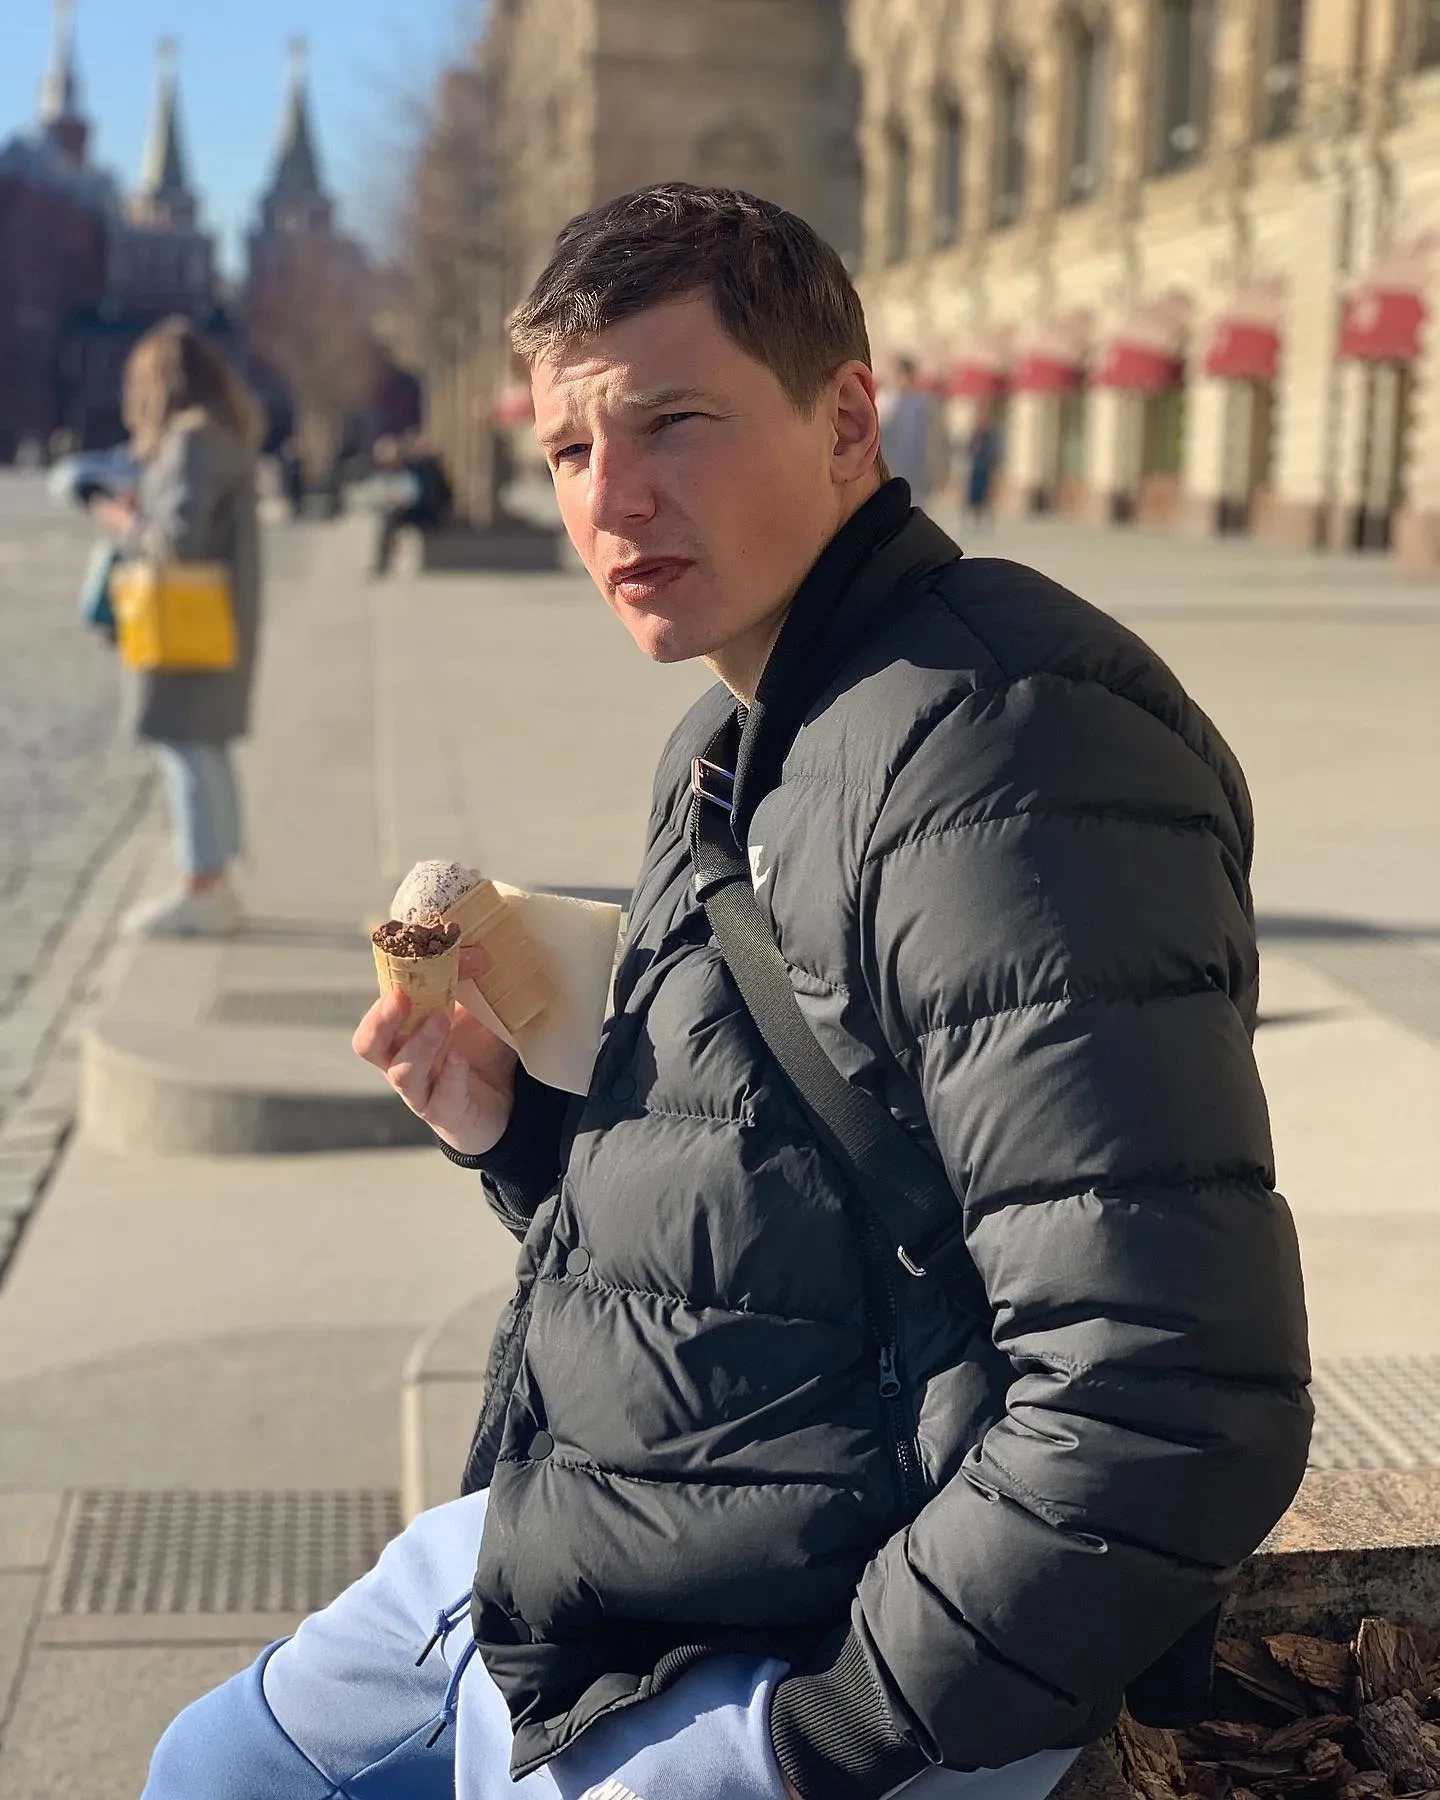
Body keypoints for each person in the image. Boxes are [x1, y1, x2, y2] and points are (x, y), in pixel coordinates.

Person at [143, 185, 1311, 1800]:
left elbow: (1169, 1391)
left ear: (849, 423)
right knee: (218, 1768)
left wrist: (820, 1737)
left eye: (672, 422)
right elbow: (773, 1233)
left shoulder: (1013, 747)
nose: (611, 499)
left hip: (813, 1632)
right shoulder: (728, 741)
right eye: (569, 449)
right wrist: (517, 1134)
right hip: (616, 1555)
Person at [93, 316, 264, 938]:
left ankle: (203, 887)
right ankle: (215, 882)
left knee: (185, 750)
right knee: (204, 749)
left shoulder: (191, 440)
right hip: (215, 618)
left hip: (186, 622)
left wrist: (123, 521)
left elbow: (180, 541)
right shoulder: (222, 435)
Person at [371, 431, 455, 574]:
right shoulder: (423, 467)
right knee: (390, 520)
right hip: (425, 509)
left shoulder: (424, 469)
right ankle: (385, 562)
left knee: (390, 522)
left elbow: (418, 496)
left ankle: (383, 563)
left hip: (427, 512)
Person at [875, 354, 944, 505]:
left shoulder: (924, 402)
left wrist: (936, 469)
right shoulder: (888, 400)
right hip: (893, 468)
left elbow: (934, 439)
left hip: (918, 471)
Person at [965, 404, 1002, 526]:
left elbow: (994, 452)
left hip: (986, 469)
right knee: (973, 495)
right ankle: (974, 519)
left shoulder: (991, 434)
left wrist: (994, 466)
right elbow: (969, 449)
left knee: (986, 495)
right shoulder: (976, 433)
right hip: (976, 468)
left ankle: (985, 519)